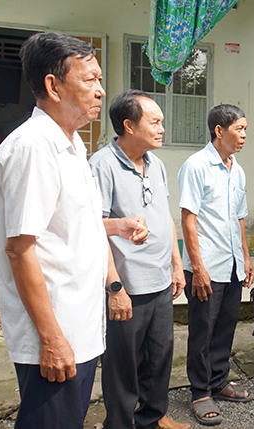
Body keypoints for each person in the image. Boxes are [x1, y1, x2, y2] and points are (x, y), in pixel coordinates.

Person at [0, 33, 147, 429]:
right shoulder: (33, 147)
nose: (101, 90)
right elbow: (20, 249)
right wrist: (51, 338)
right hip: (56, 329)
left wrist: (115, 226)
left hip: (78, 323)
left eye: (99, 79)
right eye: (90, 79)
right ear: (53, 86)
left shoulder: (71, 144)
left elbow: (64, 224)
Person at [89, 90, 190, 429]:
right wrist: (114, 286)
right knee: (123, 365)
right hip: (128, 284)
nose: (162, 128)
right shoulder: (102, 165)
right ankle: (118, 423)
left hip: (160, 280)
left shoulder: (155, 163)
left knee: (160, 355)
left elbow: (165, 216)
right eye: (155, 122)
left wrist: (176, 265)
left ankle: (153, 417)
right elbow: (94, 227)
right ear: (129, 125)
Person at [178, 104, 254, 426]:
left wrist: (247, 257)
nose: (244, 135)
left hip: (232, 264)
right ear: (219, 131)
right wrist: (197, 268)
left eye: (245, 129)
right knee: (202, 331)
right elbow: (188, 219)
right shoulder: (196, 166)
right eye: (239, 129)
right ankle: (200, 392)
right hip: (206, 266)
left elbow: (239, 218)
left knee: (225, 327)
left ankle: (218, 381)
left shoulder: (237, 169)